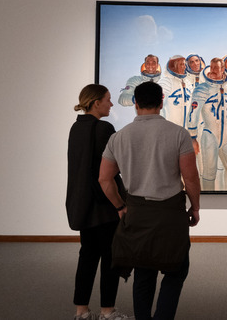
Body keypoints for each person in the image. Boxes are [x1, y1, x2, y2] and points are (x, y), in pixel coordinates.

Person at [99, 81, 201, 320]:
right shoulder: (178, 133)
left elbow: (104, 180)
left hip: (137, 212)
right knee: (177, 268)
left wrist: (120, 207)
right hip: (170, 213)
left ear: (135, 104)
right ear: (162, 101)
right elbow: (191, 177)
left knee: (144, 271)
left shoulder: (119, 137)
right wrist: (195, 207)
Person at [66, 84, 131, 320]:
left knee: (87, 256)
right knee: (109, 257)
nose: (111, 104)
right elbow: (109, 172)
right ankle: (107, 311)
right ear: (96, 103)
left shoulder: (76, 128)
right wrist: (120, 205)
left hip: (82, 203)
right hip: (104, 204)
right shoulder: (103, 128)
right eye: (108, 100)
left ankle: (81, 311)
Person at [188, 58, 227, 191]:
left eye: (216, 67)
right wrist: (192, 137)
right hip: (210, 135)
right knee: (209, 174)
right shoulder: (202, 88)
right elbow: (193, 112)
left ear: (223, 69)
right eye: (211, 67)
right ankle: (207, 203)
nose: (213, 70)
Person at [159, 55, 191, 128]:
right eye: (181, 64)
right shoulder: (166, 82)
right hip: (170, 128)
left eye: (184, 64)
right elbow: (158, 104)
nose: (184, 67)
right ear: (173, 66)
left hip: (186, 130)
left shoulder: (188, 83)